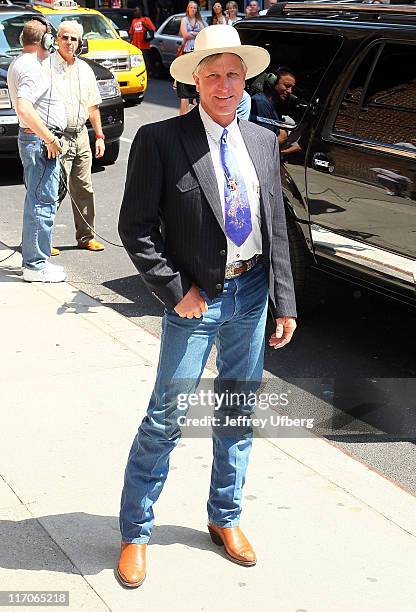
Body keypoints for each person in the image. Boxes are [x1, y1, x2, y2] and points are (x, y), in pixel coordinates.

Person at [117, 24, 297, 588]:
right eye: (213, 74)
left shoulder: (263, 141)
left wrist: (284, 302)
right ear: (194, 79)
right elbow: (137, 229)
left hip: (252, 295)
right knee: (167, 416)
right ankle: (135, 531)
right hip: (197, 301)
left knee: (236, 412)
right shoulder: (162, 141)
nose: (224, 84)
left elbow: (275, 231)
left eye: (234, 74)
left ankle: (225, 517)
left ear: (247, 80)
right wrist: (178, 291)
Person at [7, 17, 67, 283]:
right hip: (40, 142)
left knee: (37, 200)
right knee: (42, 202)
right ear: (46, 40)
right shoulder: (31, 66)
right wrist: (51, 139)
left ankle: (35, 258)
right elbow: (24, 107)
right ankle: (35, 264)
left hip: (36, 140)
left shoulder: (24, 63)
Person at [49, 21, 105, 253]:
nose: (69, 42)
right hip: (56, 137)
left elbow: (92, 106)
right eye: (65, 37)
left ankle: (86, 237)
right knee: (52, 191)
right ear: (56, 39)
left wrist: (99, 135)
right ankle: (42, 240)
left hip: (81, 135)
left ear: (80, 42)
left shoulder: (84, 69)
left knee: (84, 188)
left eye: (74, 39)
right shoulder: (47, 66)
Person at [250, 68, 296, 145]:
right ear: (272, 82)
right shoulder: (261, 102)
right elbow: (266, 140)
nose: (290, 91)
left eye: (292, 88)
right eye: (287, 86)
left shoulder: (274, 105)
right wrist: (282, 135)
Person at [176, 1, 205, 115]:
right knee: (185, 87)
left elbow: (203, 33)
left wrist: (192, 33)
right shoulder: (184, 20)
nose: (193, 9)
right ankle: (183, 115)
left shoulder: (199, 21)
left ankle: (195, 112)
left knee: (196, 85)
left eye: (195, 8)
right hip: (187, 52)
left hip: (197, 53)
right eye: (191, 7)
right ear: (187, 9)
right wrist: (195, 33)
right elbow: (185, 35)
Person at [129, 6, 156, 75]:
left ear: (140, 12)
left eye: (136, 11)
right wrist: (130, 43)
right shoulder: (133, 21)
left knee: (146, 60)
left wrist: (145, 26)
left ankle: (147, 74)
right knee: (136, 61)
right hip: (136, 45)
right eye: (134, 11)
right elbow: (131, 32)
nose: (135, 13)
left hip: (144, 45)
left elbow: (153, 29)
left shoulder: (146, 19)